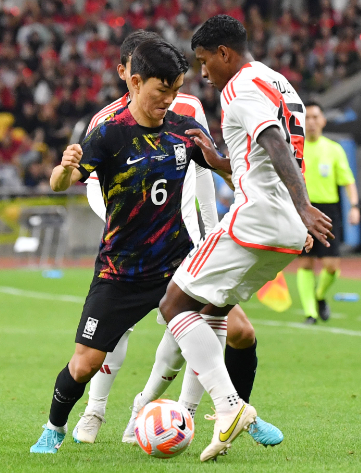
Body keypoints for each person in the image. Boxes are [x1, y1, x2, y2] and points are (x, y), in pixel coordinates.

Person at [132, 15, 333, 462]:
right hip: (285, 229)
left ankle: (229, 407)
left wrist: (303, 204)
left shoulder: (239, 86)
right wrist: (220, 161)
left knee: (173, 305)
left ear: (224, 53)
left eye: (204, 62)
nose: (203, 73)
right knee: (214, 307)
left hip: (257, 217)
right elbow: (261, 155)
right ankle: (218, 418)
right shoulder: (278, 83)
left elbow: (274, 142)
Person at [74, 31, 281, 448]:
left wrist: (211, 229)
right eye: (143, 71)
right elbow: (94, 187)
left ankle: (169, 412)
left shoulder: (187, 108)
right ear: (127, 74)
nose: (162, 86)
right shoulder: (105, 124)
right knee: (120, 328)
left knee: (225, 327)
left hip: (191, 239)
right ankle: (95, 410)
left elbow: (204, 167)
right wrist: (130, 227)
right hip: (133, 245)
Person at [29, 38, 233, 455]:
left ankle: (232, 409)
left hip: (176, 264)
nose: (170, 100)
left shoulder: (182, 130)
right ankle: (55, 426)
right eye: (163, 91)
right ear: (135, 82)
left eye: (176, 90)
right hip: (120, 270)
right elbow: (61, 183)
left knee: (228, 323)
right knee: (84, 363)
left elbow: (220, 172)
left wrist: (233, 175)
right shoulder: (109, 135)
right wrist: (63, 170)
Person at [296, 103, 359, 324]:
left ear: (323, 120)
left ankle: (319, 295)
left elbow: (348, 181)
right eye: (307, 118)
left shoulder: (334, 149)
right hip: (304, 209)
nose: (311, 122)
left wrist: (354, 206)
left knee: (332, 265)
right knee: (305, 263)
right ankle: (310, 313)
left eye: (315, 117)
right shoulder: (296, 148)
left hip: (329, 211)